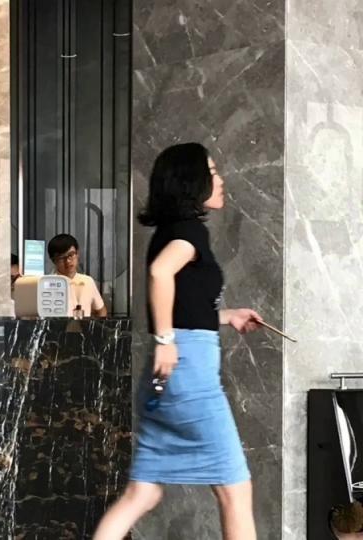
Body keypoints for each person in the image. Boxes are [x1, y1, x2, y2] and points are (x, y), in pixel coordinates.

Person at [93, 143, 263, 540]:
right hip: (190, 378)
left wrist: (227, 316)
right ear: (191, 181)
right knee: (235, 492)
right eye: (212, 172)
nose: (220, 180)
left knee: (142, 494)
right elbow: (160, 273)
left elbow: (183, 304)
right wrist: (166, 340)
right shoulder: (190, 233)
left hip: (164, 379)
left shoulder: (170, 231)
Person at [47, 234, 108, 318]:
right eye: (61, 257)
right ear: (53, 260)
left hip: (84, 326)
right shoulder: (48, 284)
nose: (68, 261)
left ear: (77, 254)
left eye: (71, 255)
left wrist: (95, 325)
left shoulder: (88, 281)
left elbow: (101, 310)